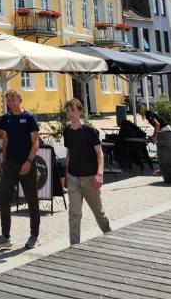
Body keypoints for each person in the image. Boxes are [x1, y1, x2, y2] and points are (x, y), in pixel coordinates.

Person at [0, 90, 40, 250]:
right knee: (3, 198)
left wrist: (29, 162)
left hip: (27, 163)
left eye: (13, 99)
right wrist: (3, 158)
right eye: (8, 100)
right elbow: (6, 140)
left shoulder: (29, 118)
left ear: (20, 100)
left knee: (32, 199)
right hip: (10, 164)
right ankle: (5, 236)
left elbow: (35, 142)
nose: (11, 102)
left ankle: (34, 235)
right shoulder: (6, 119)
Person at [62, 99, 111, 245]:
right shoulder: (67, 131)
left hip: (90, 178)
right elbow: (68, 152)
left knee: (98, 212)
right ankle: (74, 245)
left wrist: (100, 174)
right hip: (73, 178)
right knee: (74, 214)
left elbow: (99, 153)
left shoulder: (90, 131)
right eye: (68, 110)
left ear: (80, 111)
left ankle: (109, 233)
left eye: (73, 110)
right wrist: (66, 174)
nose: (70, 113)